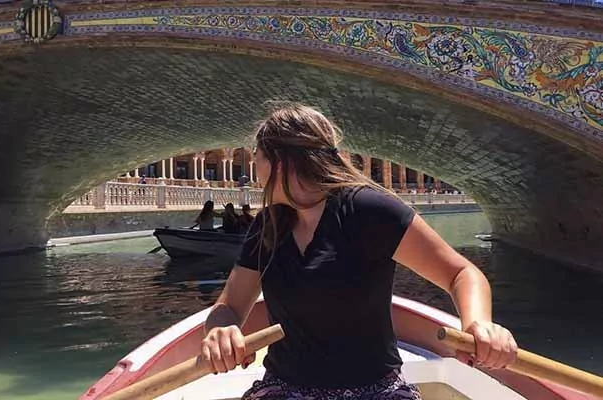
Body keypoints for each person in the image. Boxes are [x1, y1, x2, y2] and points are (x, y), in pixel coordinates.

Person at [200, 103, 518, 399]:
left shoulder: (368, 210)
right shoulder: (267, 227)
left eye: (257, 156)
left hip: (374, 390)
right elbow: (228, 306)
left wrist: (479, 324)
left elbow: (461, 273)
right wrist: (221, 329)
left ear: (281, 161)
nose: (253, 168)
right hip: (285, 389)